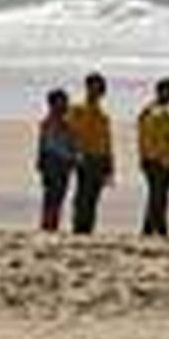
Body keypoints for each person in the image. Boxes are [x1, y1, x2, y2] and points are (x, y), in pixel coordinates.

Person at [65, 71, 113, 234]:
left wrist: (109, 165)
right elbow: (69, 134)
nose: (97, 92)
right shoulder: (77, 110)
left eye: (100, 88)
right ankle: (79, 227)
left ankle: (87, 228)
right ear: (87, 88)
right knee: (82, 196)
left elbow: (107, 143)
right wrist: (74, 154)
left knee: (93, 197)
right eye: (93, 87)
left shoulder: (103, 116)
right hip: (84, 157)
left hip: (99, 159)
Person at [136, 78, 169, 236]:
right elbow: (152, 137)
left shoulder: (153, 110)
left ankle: (150, 229)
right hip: (157, 161)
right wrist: (160, 161)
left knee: (157, 198)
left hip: (156, 160)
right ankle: (159, 230)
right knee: (158, 199)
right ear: (160, 92)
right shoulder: (156, 111)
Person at [35, 88, 76, 232]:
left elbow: (71, 144)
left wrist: (72, 159)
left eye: (65, 102)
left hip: (63, 163)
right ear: (52, 105)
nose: (65, 105)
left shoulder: (67, 124)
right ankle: (47, 225)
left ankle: (52, 225)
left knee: (58, 197)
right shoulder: (48, 123)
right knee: (52, 197)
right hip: (53, 162)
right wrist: (40, 164)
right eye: (62, 102)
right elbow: (43, 146)